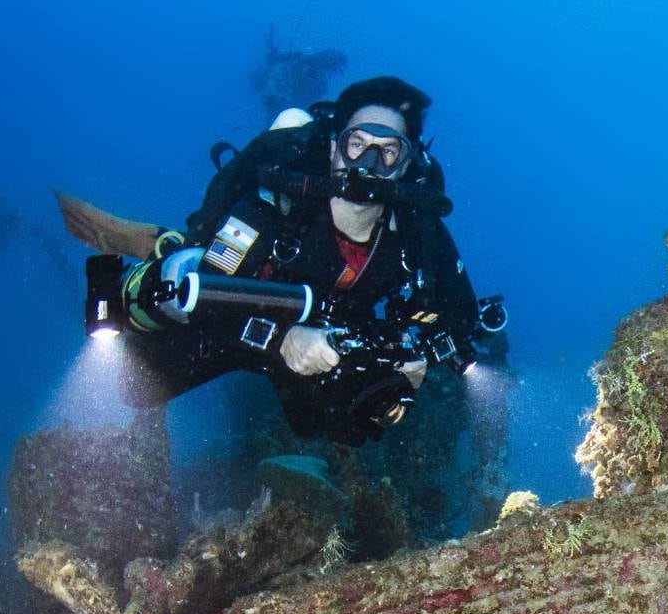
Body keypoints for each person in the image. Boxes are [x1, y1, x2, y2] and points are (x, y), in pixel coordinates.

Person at [94, 76, 488, 446]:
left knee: (337, 428)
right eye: (358, 144)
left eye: (388, 151)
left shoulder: (417, 228)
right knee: (138, 386)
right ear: (335, 147)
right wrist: (279, 339)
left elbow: (462, 315)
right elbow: (208, 297)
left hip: (326, 333)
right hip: (239, 314)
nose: (370, 163)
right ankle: (168, 246)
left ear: (406, 165)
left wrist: (415, 354)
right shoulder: (276, 205)